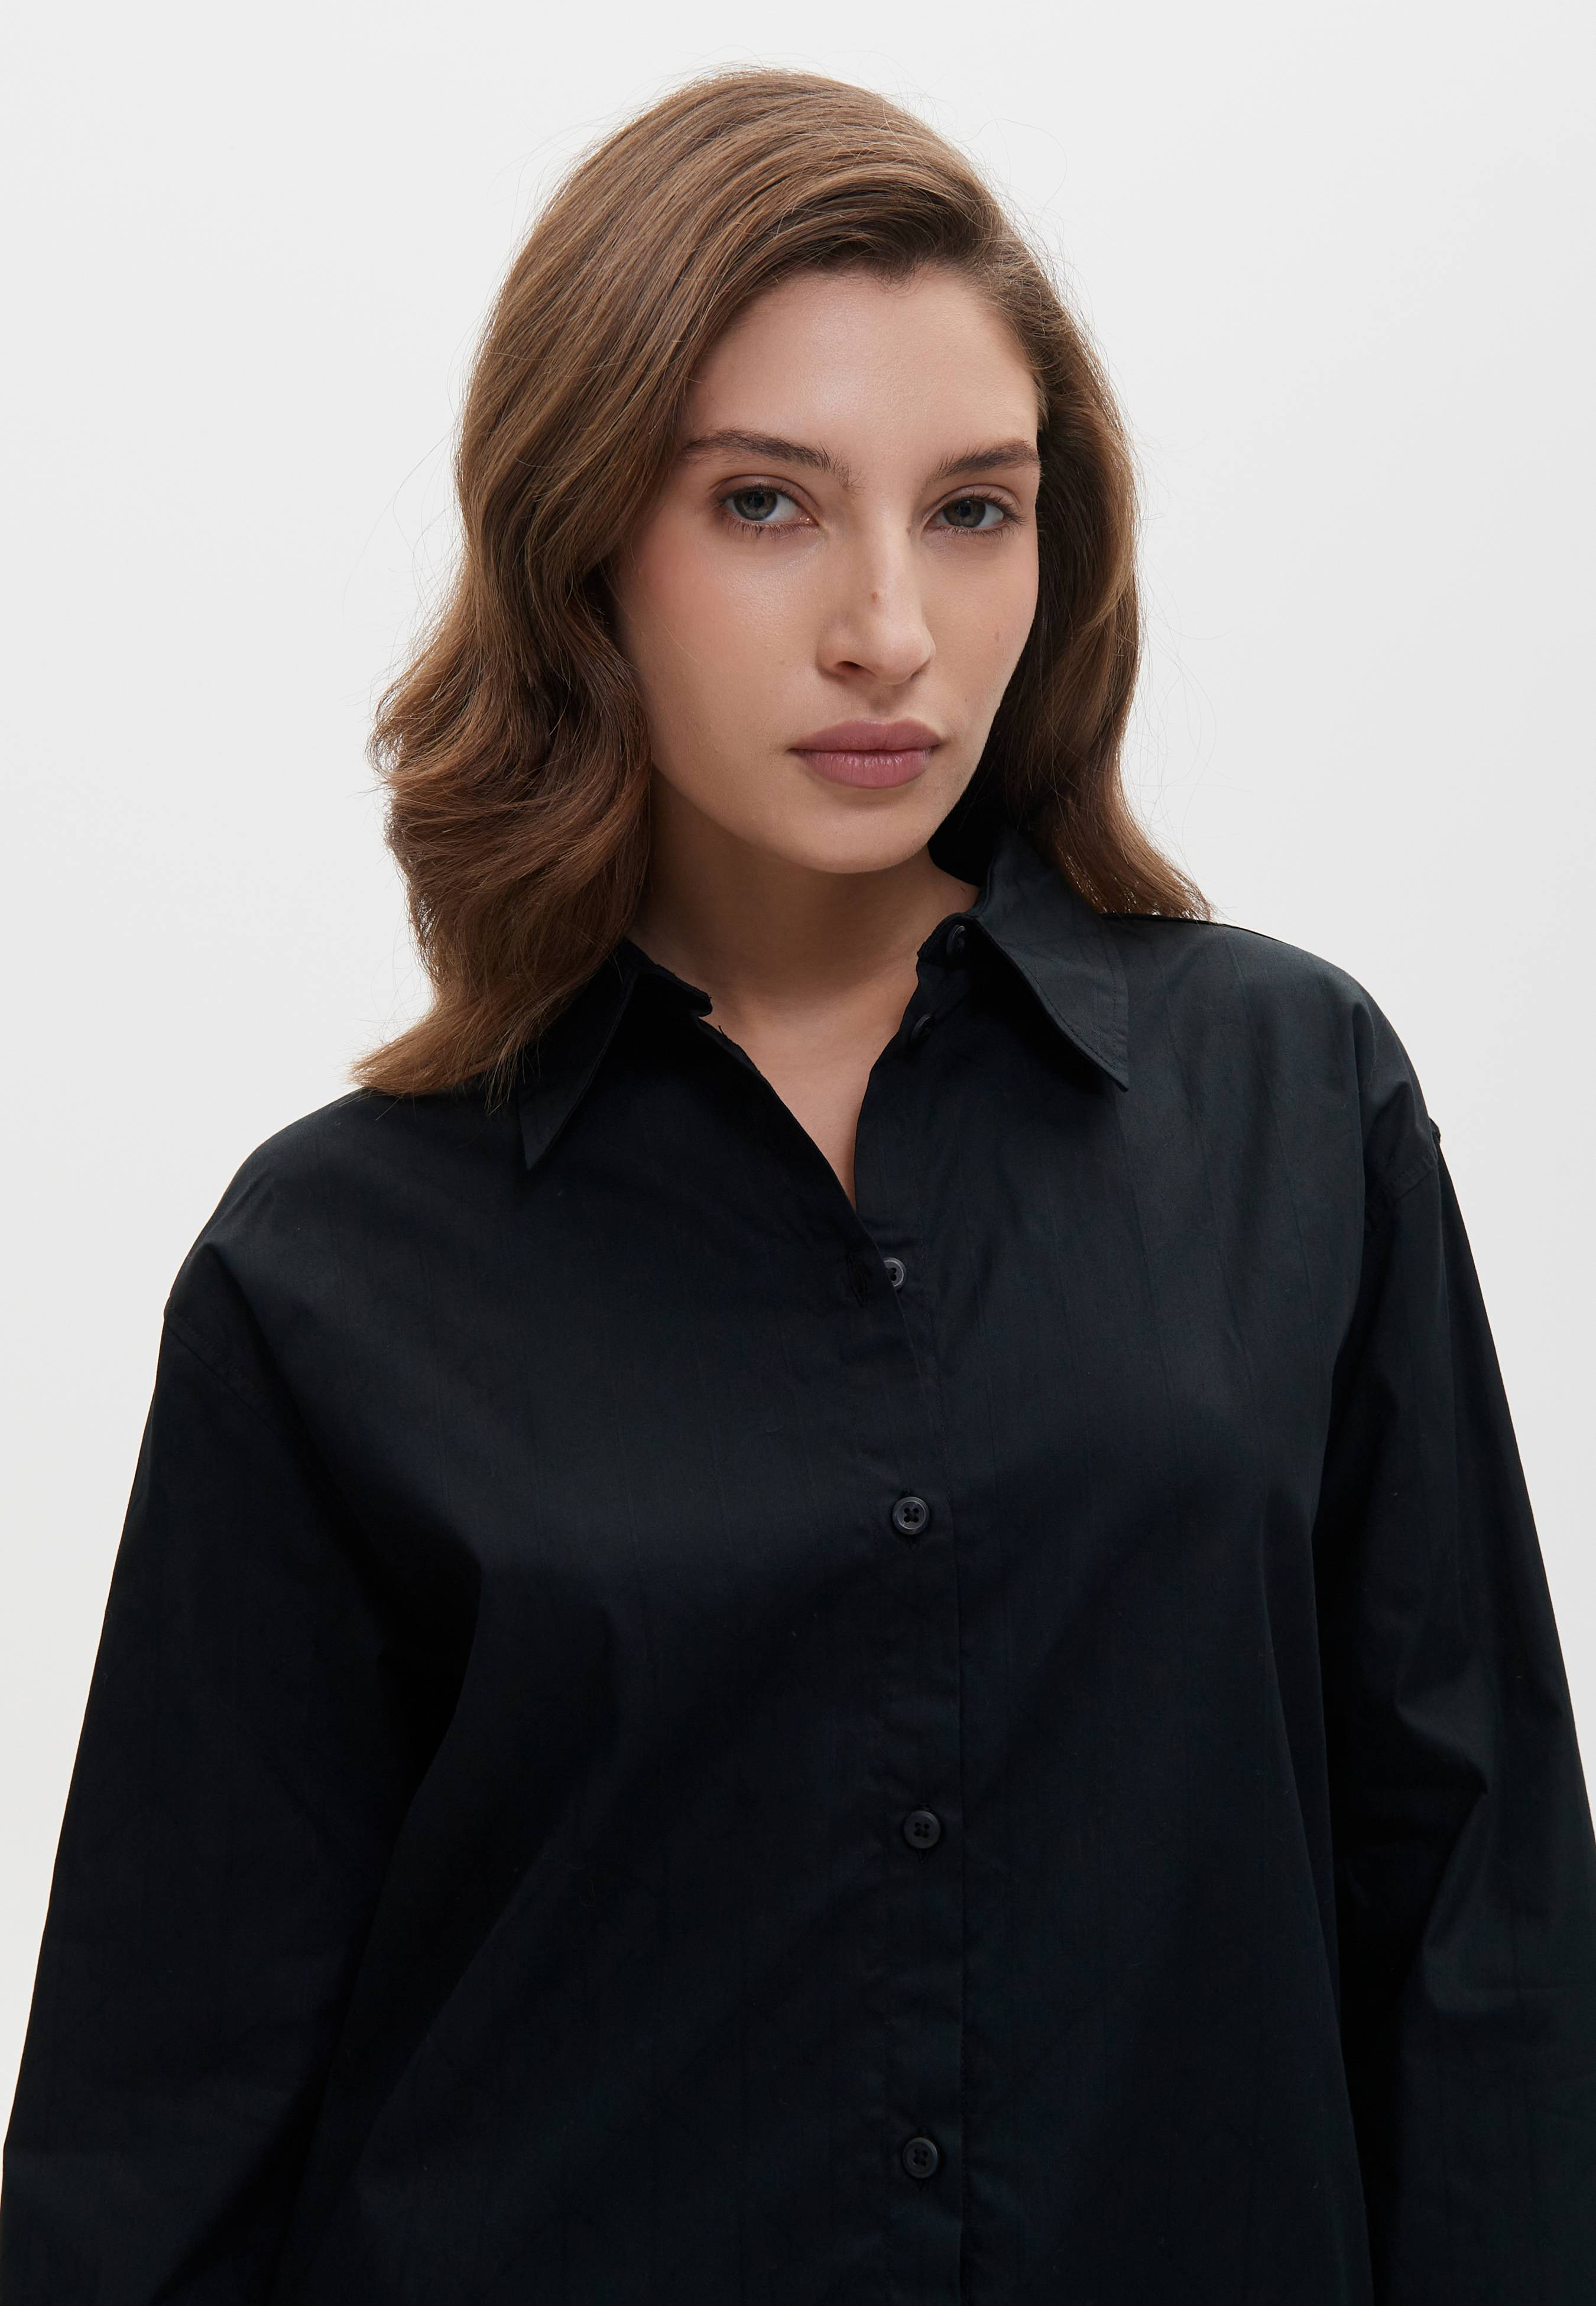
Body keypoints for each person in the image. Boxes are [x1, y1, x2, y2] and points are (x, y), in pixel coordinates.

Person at [2, 65, 1592, 2305]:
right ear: (580, 543)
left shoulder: (1290, 1099)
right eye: (764, 502)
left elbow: (1481, 1926)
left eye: (973, 510)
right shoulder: (329, 1267)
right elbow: (162, 2110)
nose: (889, 629)